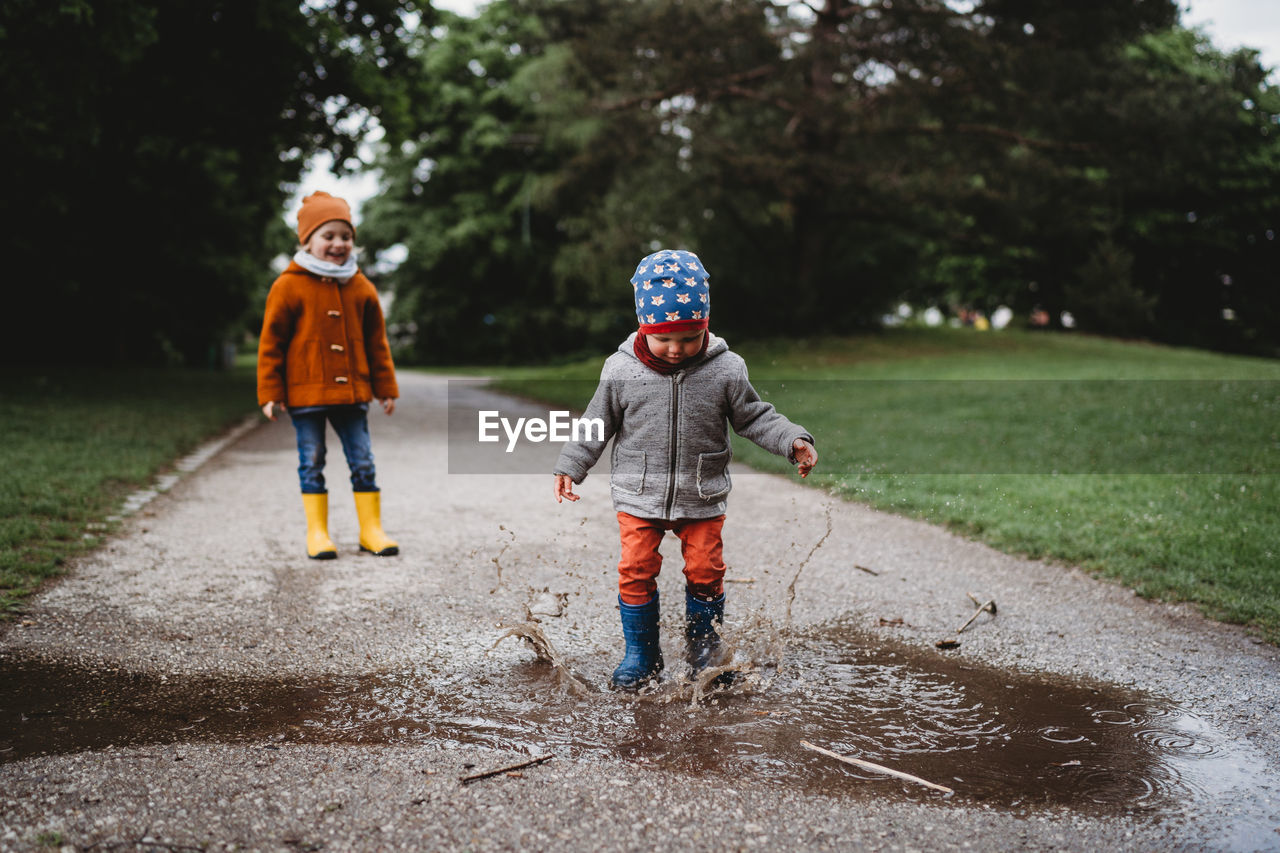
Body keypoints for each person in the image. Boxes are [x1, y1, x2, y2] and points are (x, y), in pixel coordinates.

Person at [552, 248, 817, 690]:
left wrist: (792, 440)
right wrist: (571, 465)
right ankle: (641, 654)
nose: (676, 350)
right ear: (643, 326)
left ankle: (704, 651)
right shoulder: (620, 370)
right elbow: (596, 423)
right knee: (636, 569)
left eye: (689, 338)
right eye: (664, 339)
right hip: (640, 495)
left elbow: (753, 416)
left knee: (706, 571)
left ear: (705, 326)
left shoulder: (726, 369)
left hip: (702, 494)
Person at [257, 191, 400, 560]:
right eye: (329, 236)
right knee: (312, 460)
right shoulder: (288, 285)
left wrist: (385, 387)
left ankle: (371, 530)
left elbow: (376, 343)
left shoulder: (361, 286)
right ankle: (317, 533)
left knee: (363, 461)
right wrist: (270, 392)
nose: (339, 244)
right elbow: (271, 343)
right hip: (306, 396)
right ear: (307, 240)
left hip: (353, 395)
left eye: (346, 236)